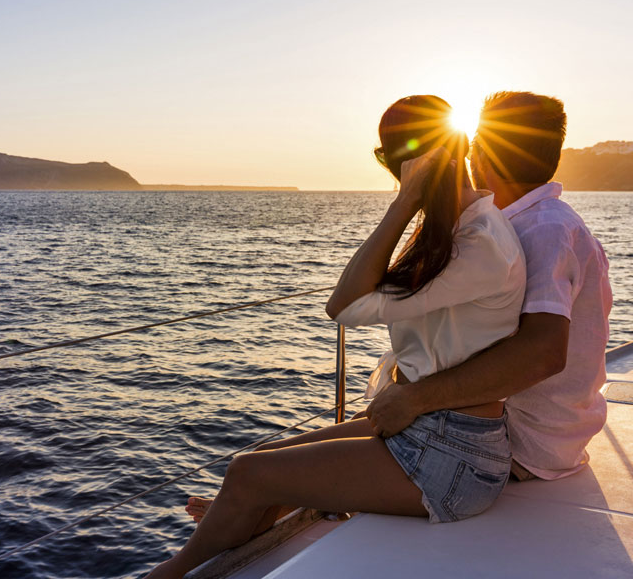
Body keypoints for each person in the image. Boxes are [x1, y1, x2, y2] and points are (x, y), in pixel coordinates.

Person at [145, 95, 526, 579]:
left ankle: (169, 574)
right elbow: (355, 301)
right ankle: (230, 536)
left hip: (454, 460)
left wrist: (405, 201)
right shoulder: (455, 229)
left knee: (248, 474)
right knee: (262, 464)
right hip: (428, 431)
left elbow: (342, 307)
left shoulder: (479, 244)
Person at [365, 91, 612, 482]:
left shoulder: (545, 230)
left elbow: (543, 353)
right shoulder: (531, 223)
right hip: (517, 432)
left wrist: (415, 398)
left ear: (481, 154)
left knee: (275, 476)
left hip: (517, 443)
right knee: (286, 464)